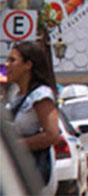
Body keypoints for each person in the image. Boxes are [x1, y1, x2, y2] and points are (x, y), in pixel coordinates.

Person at [5, 42, 60, 195]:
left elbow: (52, 135)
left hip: (33, 173)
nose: (7, 65)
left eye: (12, 60)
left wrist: (15, 146)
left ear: (28, 65)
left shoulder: (41, 95)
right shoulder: (15, 95)